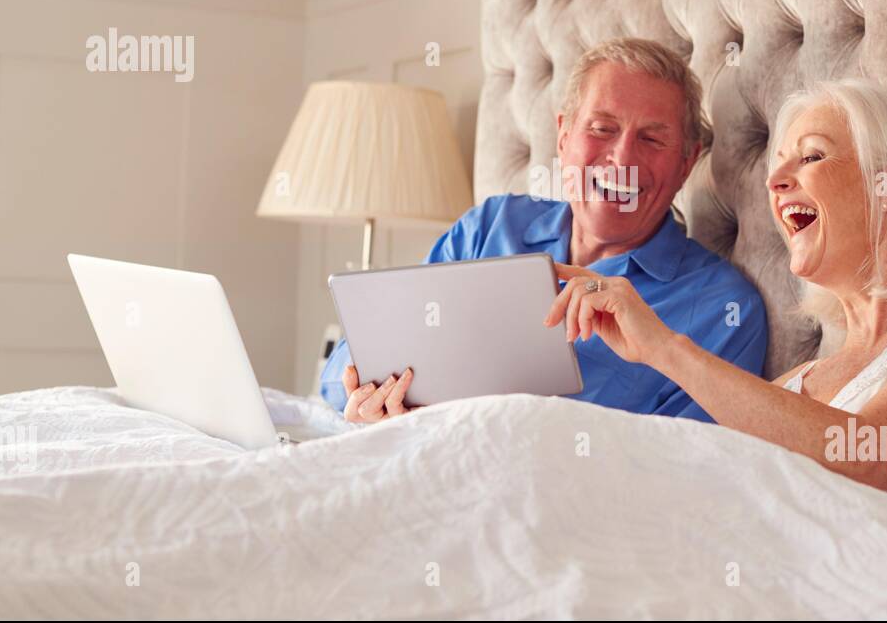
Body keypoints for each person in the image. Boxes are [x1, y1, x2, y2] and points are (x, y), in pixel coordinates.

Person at [544, 78, 887, 525]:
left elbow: (872, 454)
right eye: (777, 162)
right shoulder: (793, 387)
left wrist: (665, 348)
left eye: (812, 156)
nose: (774, 181)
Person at [328, 37, 767, 424]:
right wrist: (367, 395)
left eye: (652, 139)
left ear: (686, 163)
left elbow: (690, 469)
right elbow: (346, 368)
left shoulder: (723, 309)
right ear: (563, 136)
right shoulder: (490, 227)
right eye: (602, 129)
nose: (622, 158)